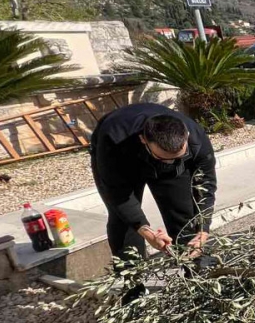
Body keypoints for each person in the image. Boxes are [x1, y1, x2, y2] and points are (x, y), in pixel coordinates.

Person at [90, 102, 217, 261]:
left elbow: (206, 186)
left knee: (185, 216)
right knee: (124, 221)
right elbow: (118, 195)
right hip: (124, 161)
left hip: (162, 154)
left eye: (178, 157)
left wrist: (203, 230)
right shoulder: (113, 140)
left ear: (187, 136)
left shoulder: (197, 138)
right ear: (143, 140)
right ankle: (134, 280)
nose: (171, 163)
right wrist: (146, 231)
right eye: (164, 158)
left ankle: (196, 272)